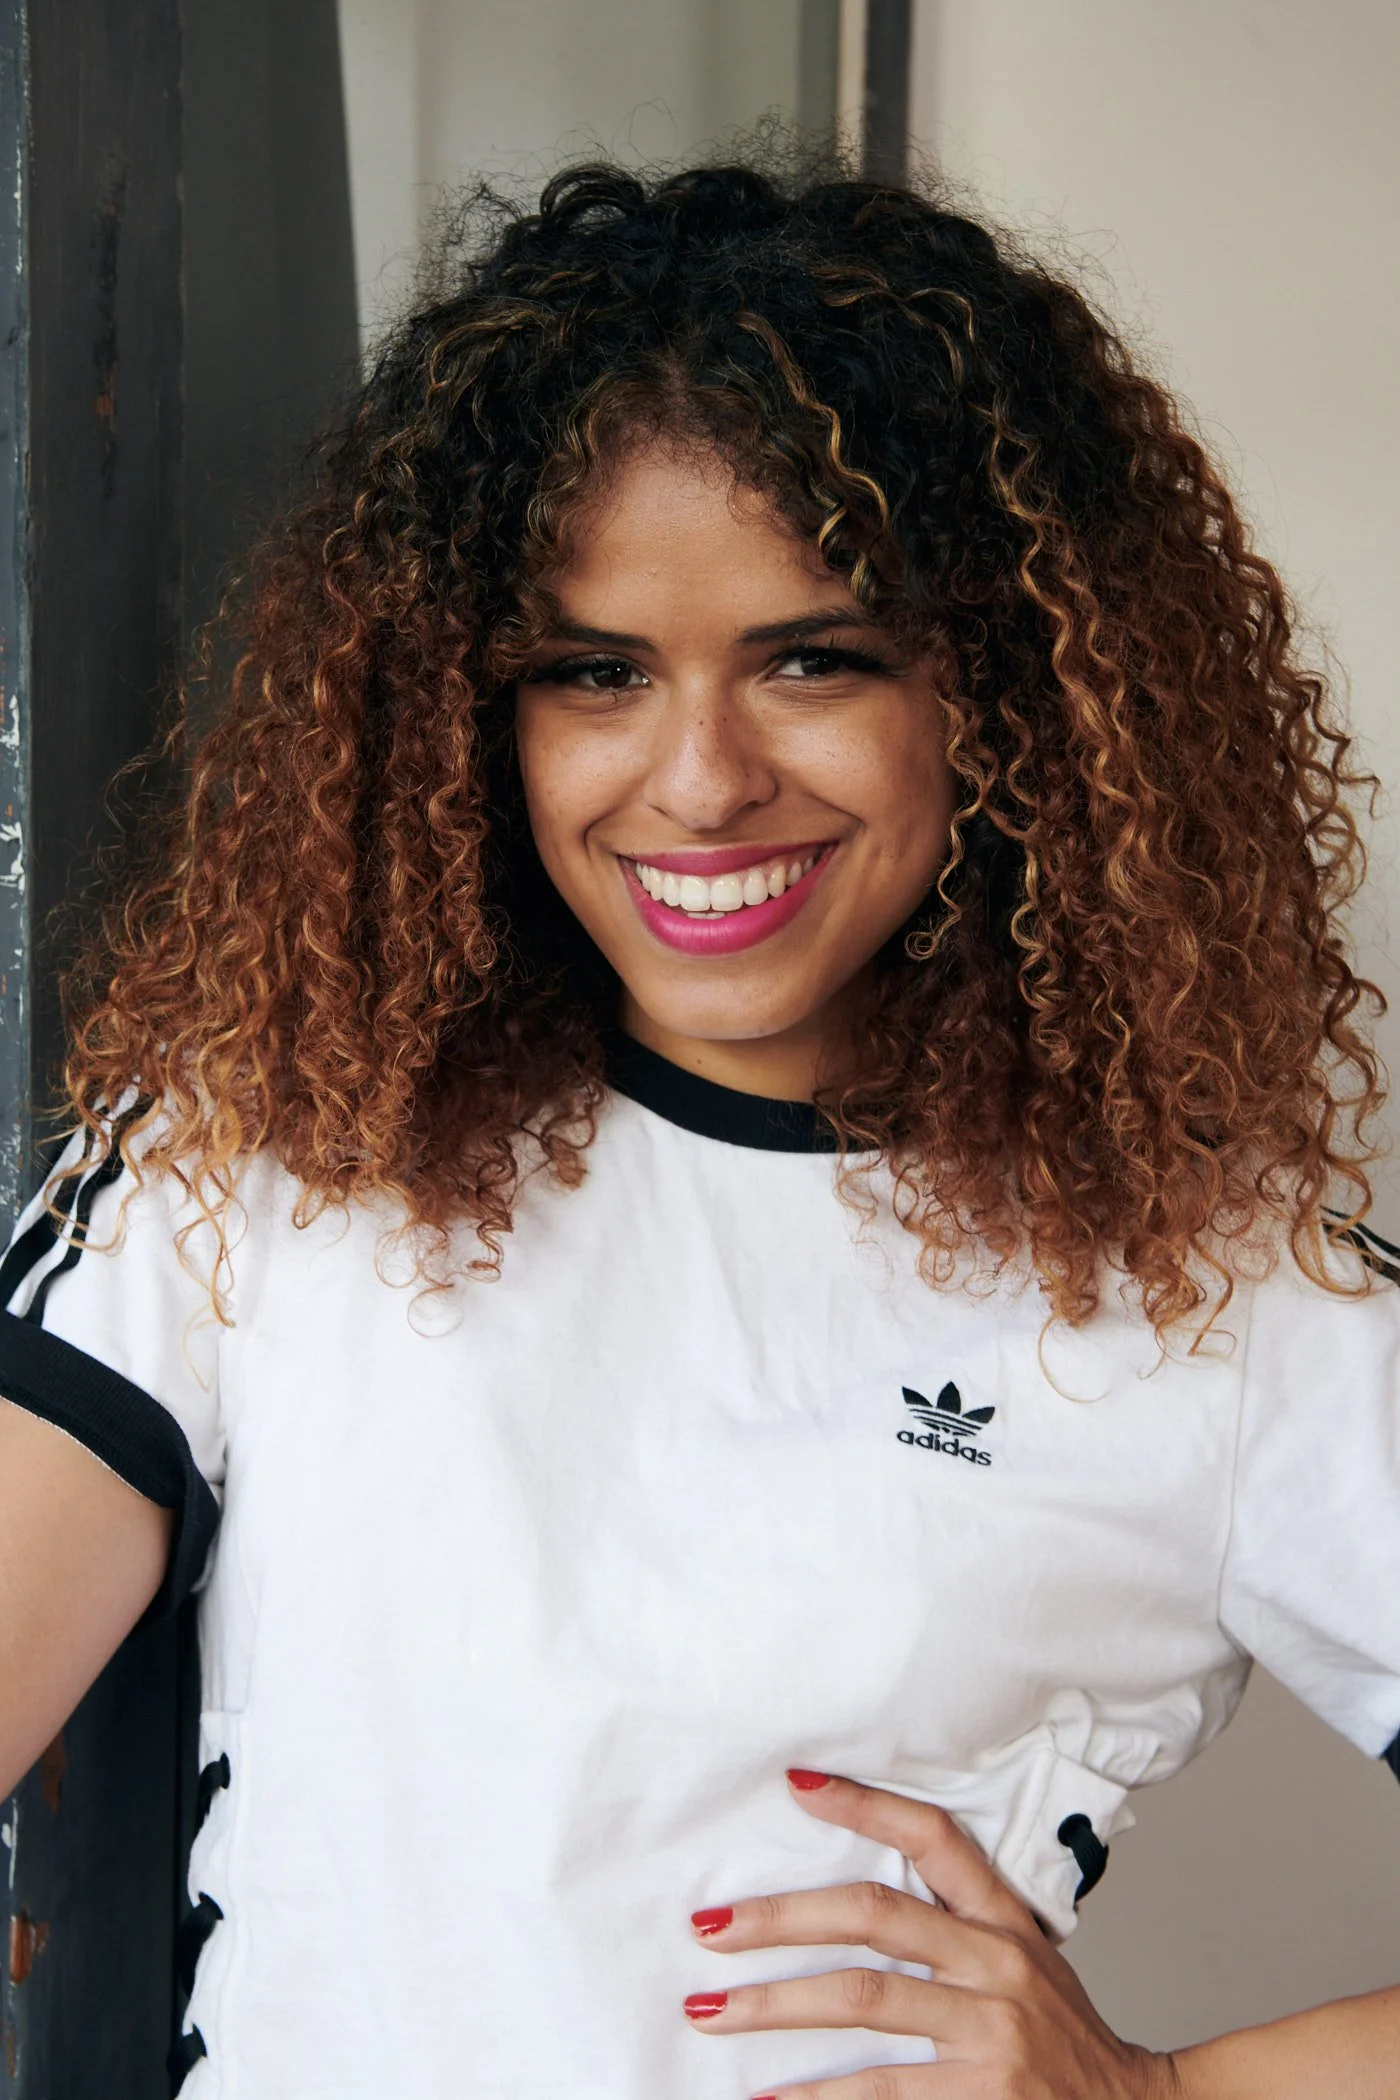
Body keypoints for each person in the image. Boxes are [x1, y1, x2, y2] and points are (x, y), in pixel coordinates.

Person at [0, 156, 1395, 2099]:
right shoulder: (265, 1141)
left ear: (998, 697)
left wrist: (1164, 2093)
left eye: (812, 657)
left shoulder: (1216, 1287)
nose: (701, 781)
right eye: (594, 672)